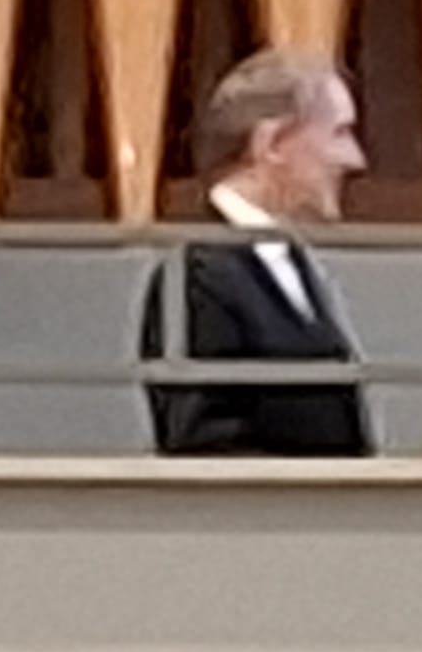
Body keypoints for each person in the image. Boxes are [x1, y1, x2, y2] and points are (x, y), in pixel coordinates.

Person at [138, 49, 374, 456]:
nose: (355, 160)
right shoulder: (197, 272)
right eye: (339, 133)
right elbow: (207, 445)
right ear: (272, 144)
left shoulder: (286, 261)